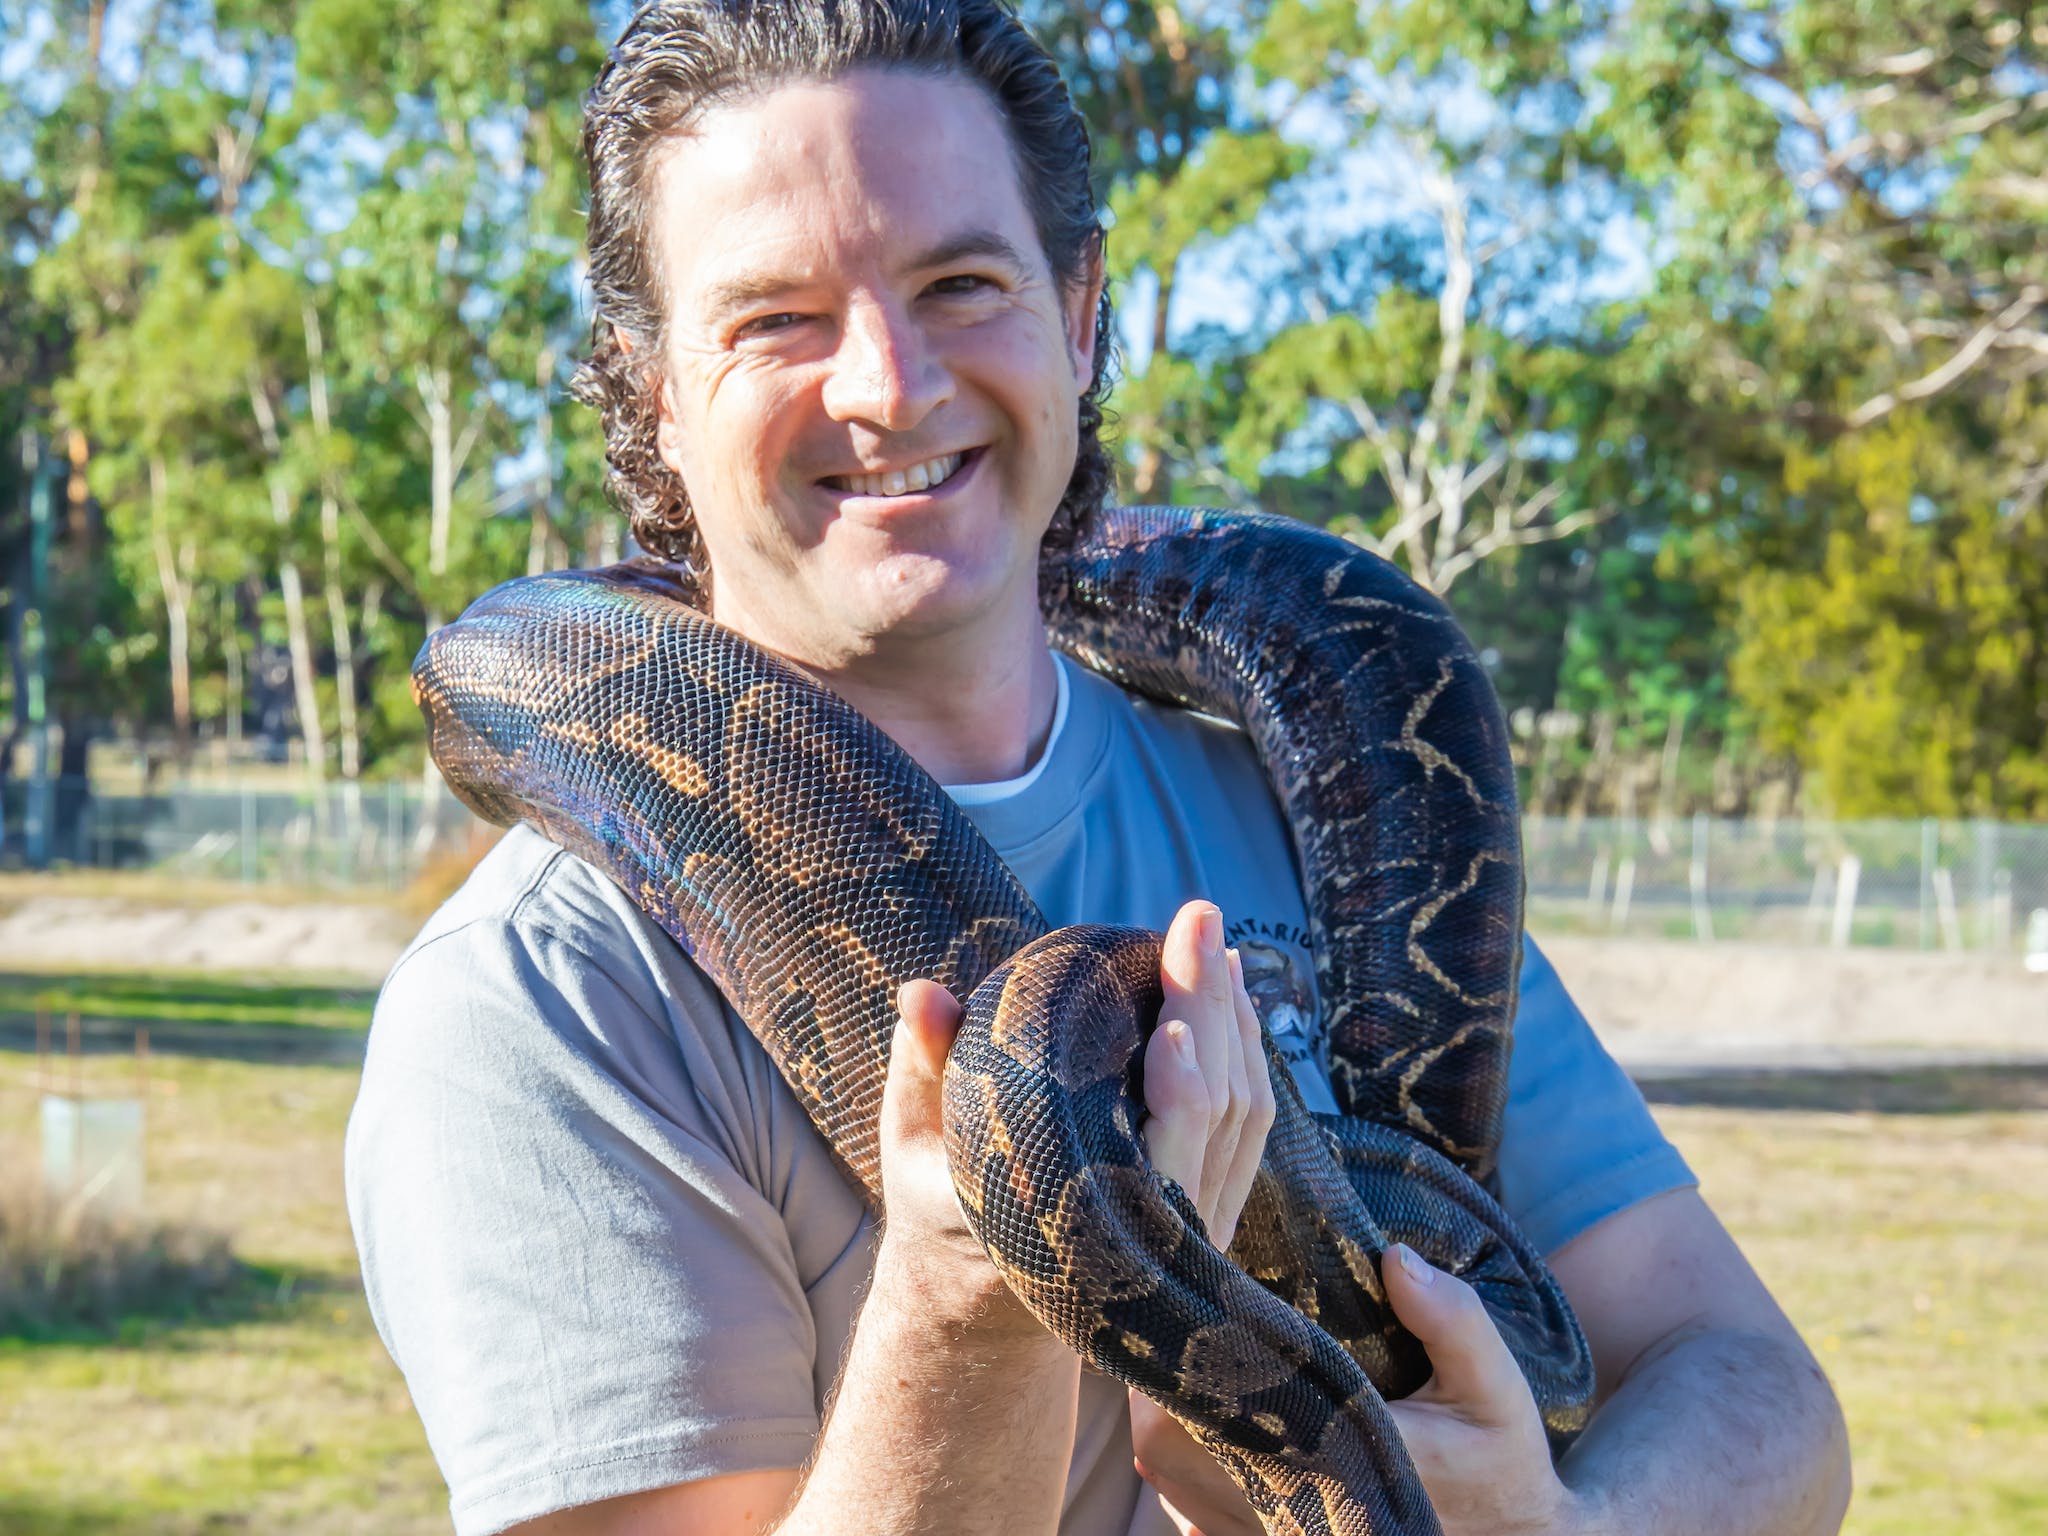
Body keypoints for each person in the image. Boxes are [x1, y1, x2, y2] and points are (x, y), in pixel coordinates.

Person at [344, 4, 1852, 1534]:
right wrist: (969, 1291)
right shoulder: (538, 999)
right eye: (775, 319)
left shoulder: (1307, 821)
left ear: (1078, 315)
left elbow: (1749, 1386)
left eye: (961, 284)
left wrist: (1563, 1524)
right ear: (653, 388)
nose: (887, 384)